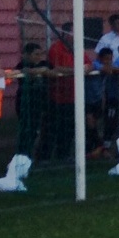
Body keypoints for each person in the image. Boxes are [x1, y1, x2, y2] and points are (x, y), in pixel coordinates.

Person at [43, 22, 79, 159]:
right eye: (74, 32)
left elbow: (88, 64)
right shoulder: (56, 48)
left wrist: (82, 69)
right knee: (52, 128)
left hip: (73, 96)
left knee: (69, 128)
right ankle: (44, 156)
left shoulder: (77, 48)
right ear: (66, 33)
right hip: (57, 96)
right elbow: (57, 68)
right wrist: (76, 70)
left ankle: (63, 154)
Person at [15, 43, 52, 158]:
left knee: (42, 128)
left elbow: (49, 69)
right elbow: (23, 70)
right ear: (27, 55)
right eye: (36, 54)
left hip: (41, 102)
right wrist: (38, 71)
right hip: (25, 103)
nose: (39, 57)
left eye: (40, 54)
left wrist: (40, 71)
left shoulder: (44, 63)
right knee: (27, 130)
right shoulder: (22, 64)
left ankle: (40, 154)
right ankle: (22, 154)